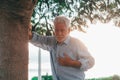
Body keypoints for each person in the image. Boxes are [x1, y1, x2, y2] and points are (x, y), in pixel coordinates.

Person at [29, 15, 95, 80]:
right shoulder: (52, 41)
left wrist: (72, 63)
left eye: (62, 30)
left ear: (68, 30)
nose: (59, 33)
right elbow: (39, 39)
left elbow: (91, 62)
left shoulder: (76, 43)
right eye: (56, 30)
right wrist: (29, 33)